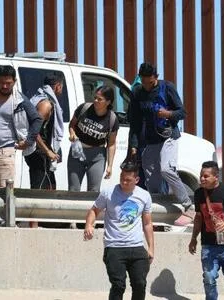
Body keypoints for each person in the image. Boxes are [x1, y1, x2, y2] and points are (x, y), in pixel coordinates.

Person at [129, 62, 193, 226]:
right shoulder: (137, 93)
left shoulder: (167, 88)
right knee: (149, 171)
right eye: (143, 82)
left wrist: (168, 114)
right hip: (151, 138)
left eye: (149, 82)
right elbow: (134, 122)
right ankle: (159, 204)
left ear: (155, 78)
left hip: (169, 135)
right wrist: (134, 145)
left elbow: (182, 112)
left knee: (166, 168)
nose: (147, 86)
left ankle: (189, 206)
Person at [84, 161, 154, 300]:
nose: (124, 182)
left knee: (140, 283)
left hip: (137, 247)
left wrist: (151, 248)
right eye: (122, 178)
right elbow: (94, 210)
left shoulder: (144, 196)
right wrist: (89, 225)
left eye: (128, 180)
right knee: (118, 285)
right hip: (114, 247)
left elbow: (147, 223)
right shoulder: (108, 193)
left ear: (137, 180)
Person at [189, 161, 224, 300]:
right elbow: (198, 217)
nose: (202, 179)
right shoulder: (198, 194)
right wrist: (193, 238)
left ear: (216, 177)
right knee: (209, 279)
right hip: (208, 245)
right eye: (201, 175)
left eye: (206, 176)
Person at [24, 72, 65, 228]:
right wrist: (47, 151)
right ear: (58, 86)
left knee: (49, 187)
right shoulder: (46, 104)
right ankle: (33, 225)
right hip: (38, 153)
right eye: (61, 88)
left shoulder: (38, 97)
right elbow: (35, 132)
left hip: (42, 152)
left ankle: (45, 222)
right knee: (39, 189)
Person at [68, 85, 119, 192]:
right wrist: (73, 134)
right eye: (95, 97)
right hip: (78, 150)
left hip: (97, 155)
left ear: (108, 102)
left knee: (94, 191)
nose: (95, 101)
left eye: (99, 99)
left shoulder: (112, 119)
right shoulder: (84, 108)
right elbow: (72, 125)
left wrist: (110, 166)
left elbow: (111, 144)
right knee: (73, 189)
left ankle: (91, 209)